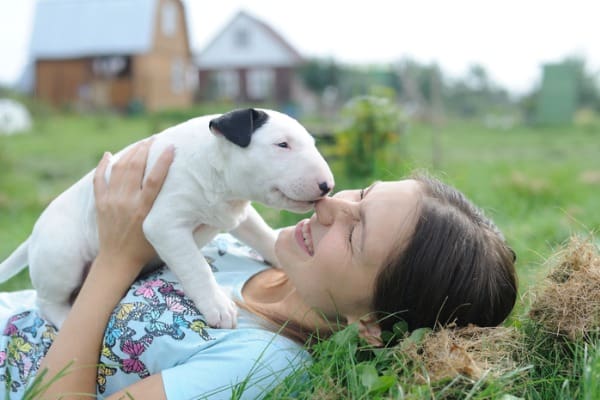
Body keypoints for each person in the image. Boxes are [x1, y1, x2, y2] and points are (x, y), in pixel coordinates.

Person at [0, 139, 517, 399]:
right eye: (363, 194)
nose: (331, 205)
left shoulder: (261, 362)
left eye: (356, 234)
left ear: (373, 327)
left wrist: (116, 258)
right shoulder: (252, 255)